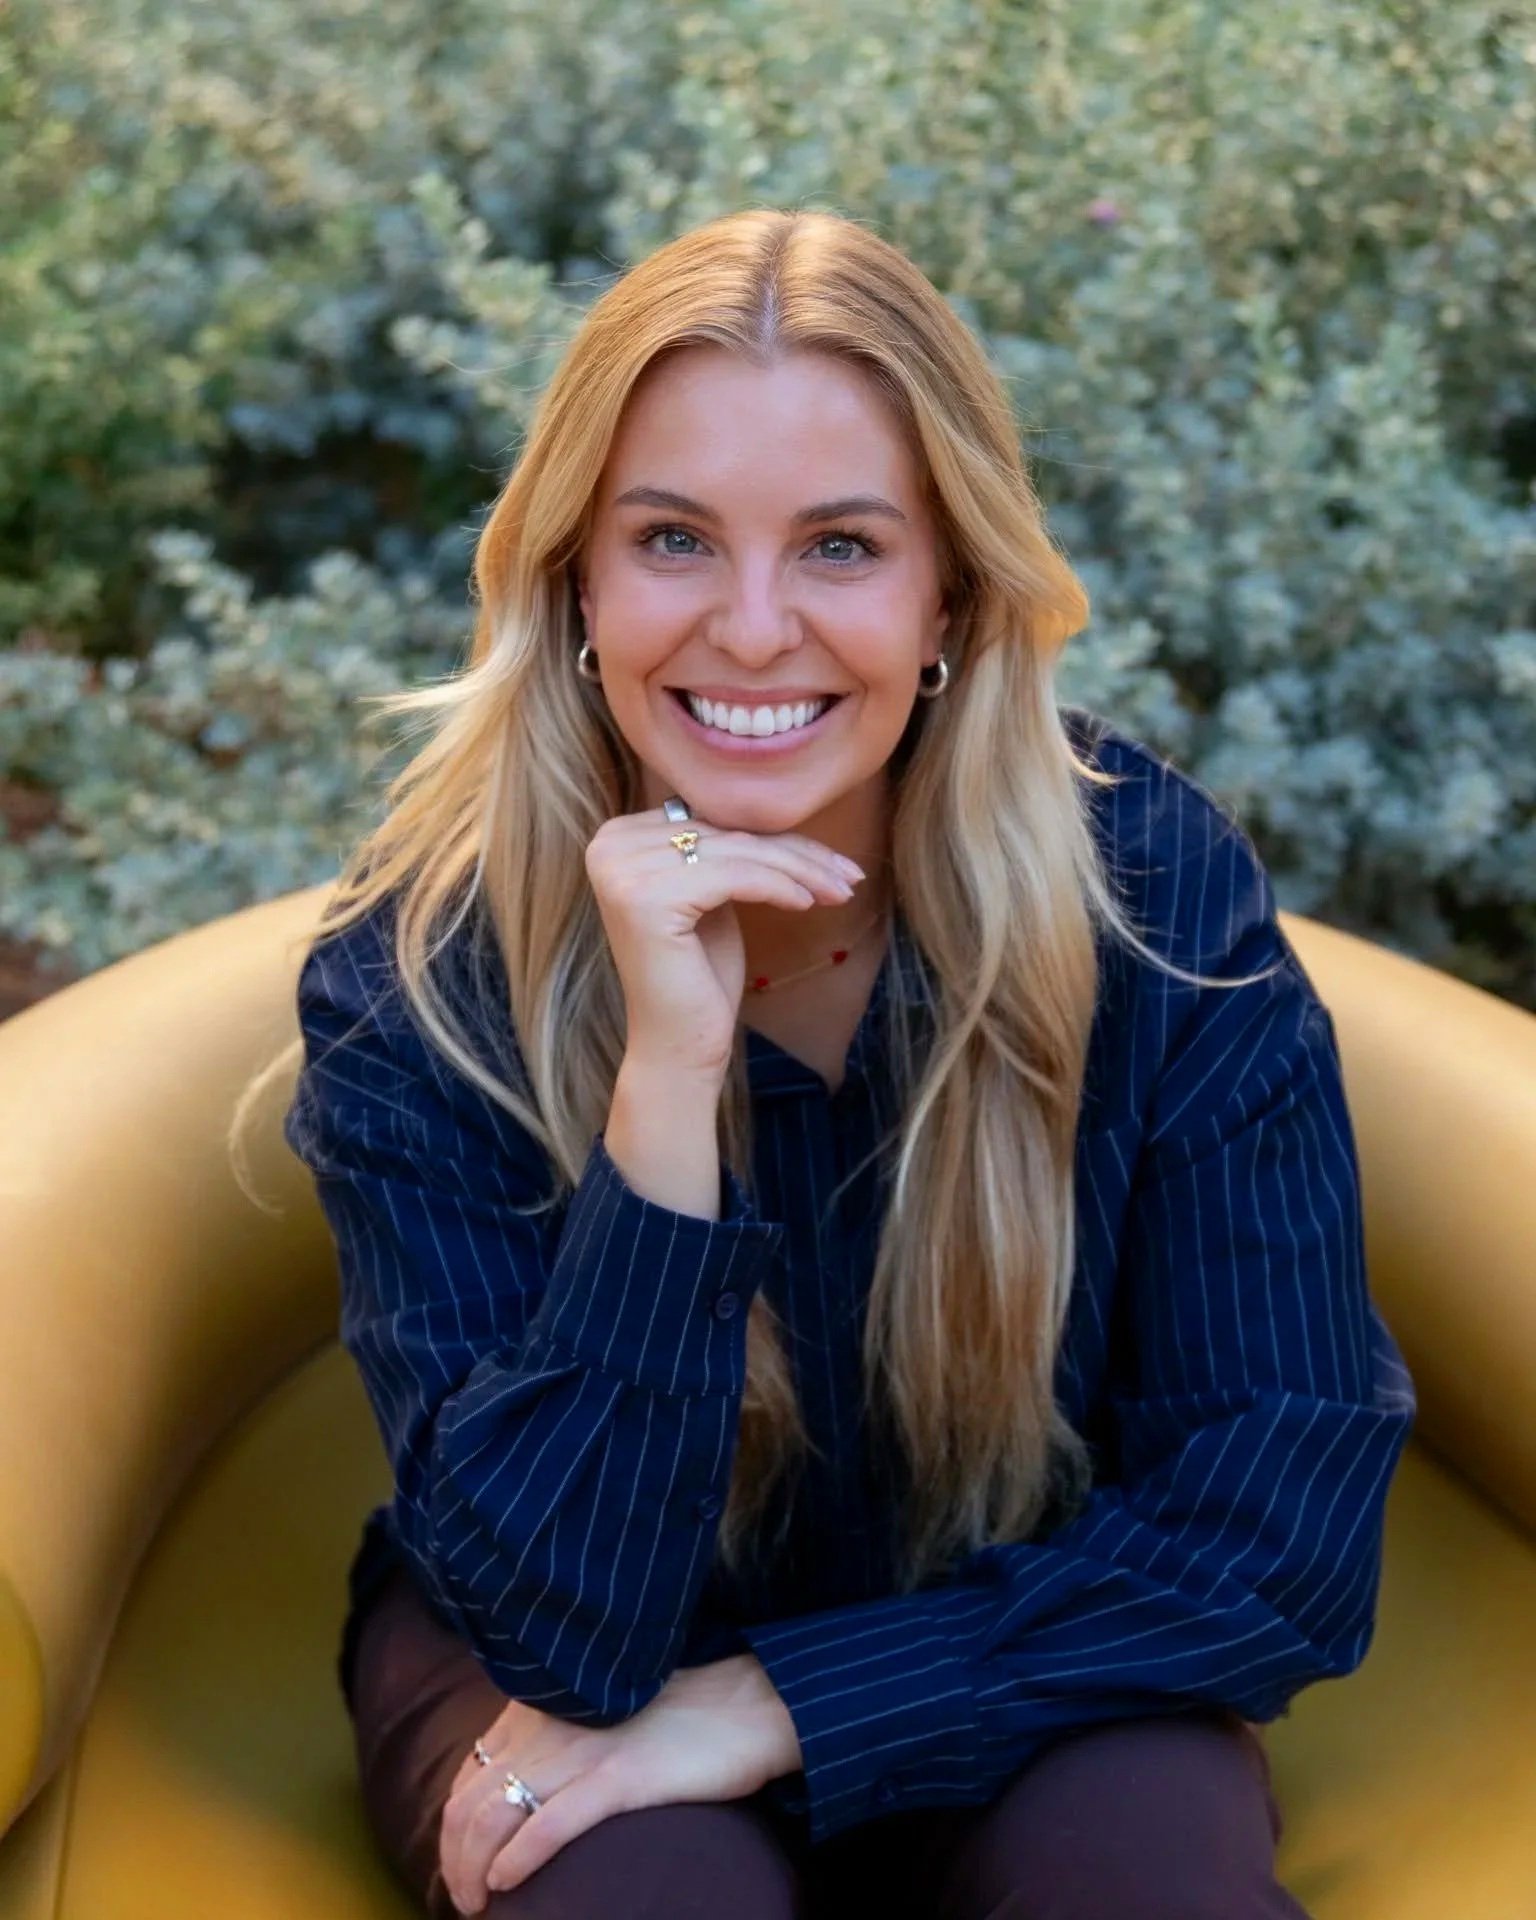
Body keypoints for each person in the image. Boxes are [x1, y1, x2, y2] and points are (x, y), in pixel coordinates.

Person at [276, 207, 1416, 1919]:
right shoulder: (418, 975)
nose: (749, 630)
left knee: (1146, 1882)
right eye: (672, 538)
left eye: (838, 547)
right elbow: (565, 1624)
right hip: (564, 1672)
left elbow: (1284, 1515)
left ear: (952, 587)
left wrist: (782, 1707)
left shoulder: (1151, 894)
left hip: (1026, 1629)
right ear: (575, 575)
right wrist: (668, 1077)